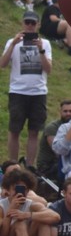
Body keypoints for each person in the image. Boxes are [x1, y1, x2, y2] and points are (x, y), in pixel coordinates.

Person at [0, 10, 52, 165]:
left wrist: (41, 50)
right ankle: (13, 164)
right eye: (27, 23)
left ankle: (30, 165)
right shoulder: (12, 42)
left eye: (33, 23)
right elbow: (2, 64)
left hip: (38, 92)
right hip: (18, 91)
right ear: (22, 23)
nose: (29, 26)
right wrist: (14, 44)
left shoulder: (46, 43)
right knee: (14, 129)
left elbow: (48, 69)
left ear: (38, 25)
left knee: (34, 131)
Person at [0, 168, 60, 236]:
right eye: (15, 189)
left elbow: (55, 216)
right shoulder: (1, 206)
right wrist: (11, 211)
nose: (18, 193)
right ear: (8, 190)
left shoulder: (31, 204)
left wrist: (26, 215)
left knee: (43, 219)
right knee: (19, 224)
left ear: (27, 191)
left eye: (22, 189)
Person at [37, 99, 71, 181]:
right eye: (65, 111)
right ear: (60, 112)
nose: (68, 113)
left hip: (69, 162)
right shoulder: (52, 128)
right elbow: (58, 152)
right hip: (49, 165)